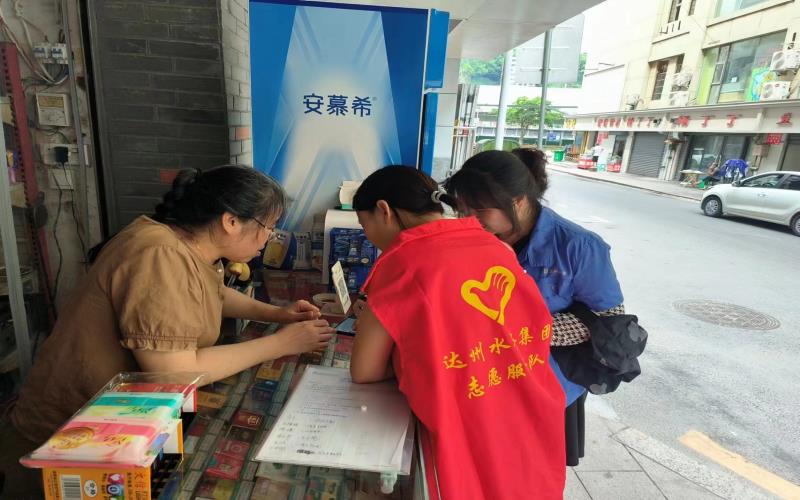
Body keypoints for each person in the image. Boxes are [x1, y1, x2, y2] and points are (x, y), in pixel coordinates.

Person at [0, 166, 334, 498]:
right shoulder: (161, 253)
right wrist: (280, 343)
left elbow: (212, 292)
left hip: (113, 428)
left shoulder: (185, 245)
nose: (270, 237)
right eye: (268, 227)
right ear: (231, 221)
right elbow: (175, 372)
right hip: (66, 441)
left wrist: (276, 314)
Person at [349, 166, 566, 499]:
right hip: (530, 417)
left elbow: (365, 371)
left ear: (384, 210)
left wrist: (408, 356)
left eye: (365, 225)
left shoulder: (400, 263)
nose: (369, 237)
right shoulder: (499, 248)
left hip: (468, 431)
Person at [445, 148, 625, 466]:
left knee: (529, 469)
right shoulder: (477, 237)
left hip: (547, 384)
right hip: (486, 378)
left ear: (518, 201)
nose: (469, 220)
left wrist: (519, 330)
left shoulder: (578, 246)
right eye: (463, 209)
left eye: (479, 210)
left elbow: (609, 322)